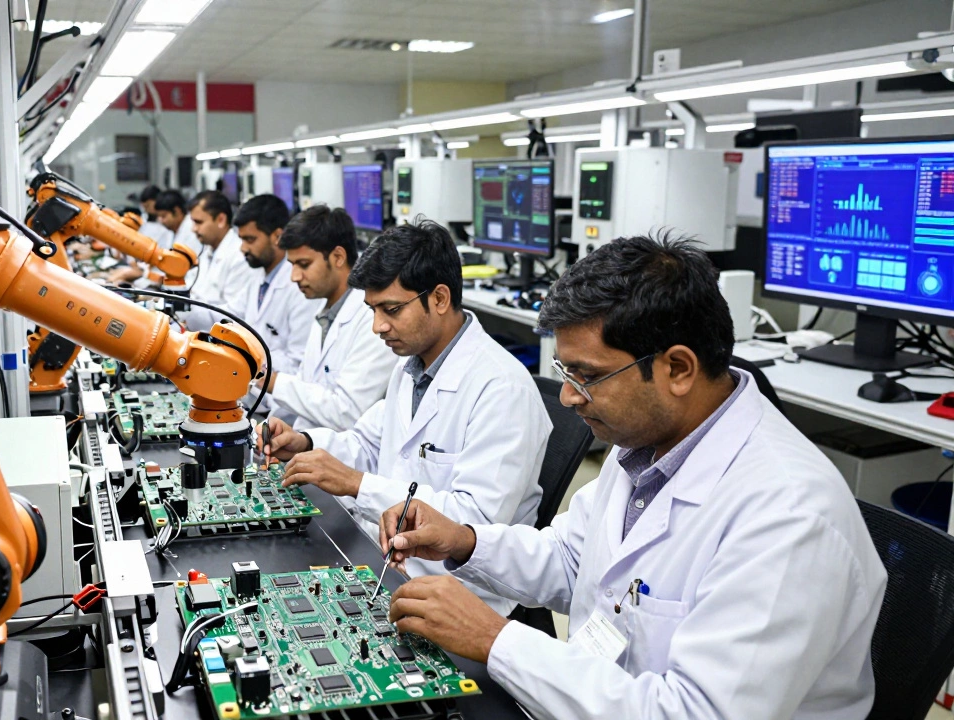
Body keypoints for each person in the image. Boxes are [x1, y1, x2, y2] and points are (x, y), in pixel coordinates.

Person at [378, 234, 887, 720]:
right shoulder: (648, 446)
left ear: (679, 369)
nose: (568, 396)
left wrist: (494, 640)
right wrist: (462, 541)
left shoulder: (788, 517)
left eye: (588, 375)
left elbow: (695, 713)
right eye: (564, 370)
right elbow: (571, 559)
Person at [260, 220, 551, 616]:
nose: (378, 326)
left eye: (391, 309)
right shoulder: (412, 365)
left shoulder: (502, 389)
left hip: (459, 595)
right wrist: (307, 443)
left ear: (441, 298)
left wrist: (357, 484)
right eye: (373, 310)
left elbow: (471, 524)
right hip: (389, 562)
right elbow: (368, 443)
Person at [260, 204, 395, 431]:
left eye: (304, 264)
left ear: (338, 257)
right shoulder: (326, 312)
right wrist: (270, 430)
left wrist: (269, 381)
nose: (294, 277)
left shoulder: (372, 320)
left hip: (343, 458)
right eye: (292, 265)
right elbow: (304, 391)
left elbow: (347, 412)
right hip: (308, 447)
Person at [233, 194, 320, 380]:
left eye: (250, 239)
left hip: (276, 399)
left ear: (277, 236)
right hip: (254, 392)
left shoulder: (301, 286)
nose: (242, 248)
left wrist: (241, 356)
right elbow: (229, 314)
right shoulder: (258, 274)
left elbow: (298, 363)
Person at [181, 190, 254, 331]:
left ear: (221, 220)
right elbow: (192, 290)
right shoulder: (206, 251)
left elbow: (232, 316)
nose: (193, 229)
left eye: (199, 222)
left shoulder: (238, 256)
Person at [134, 184, 174, 249]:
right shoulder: (145, 220)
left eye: (148, 206)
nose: (146, 210)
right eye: (144, 207)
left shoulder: (168, 219)